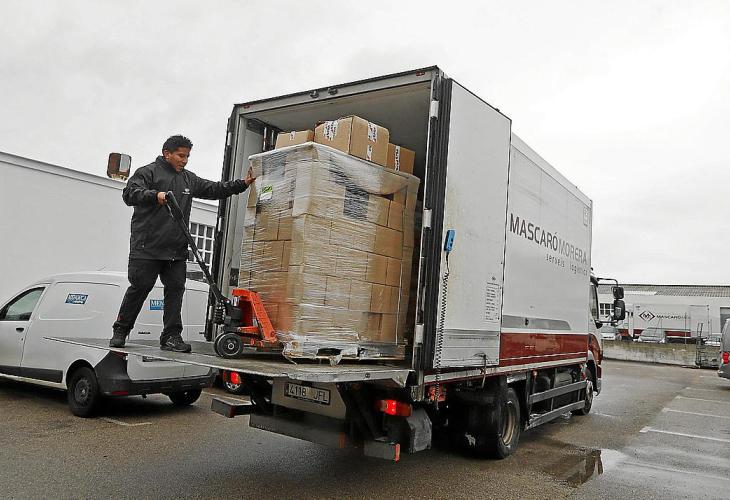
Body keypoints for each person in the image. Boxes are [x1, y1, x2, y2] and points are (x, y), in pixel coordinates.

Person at [109, 135, 255, 352]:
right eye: (181, 155)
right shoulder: (147, 172)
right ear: (167, 153)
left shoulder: (188, 179)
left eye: (187, 156)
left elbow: (214, 189)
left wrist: (242, 184)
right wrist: (155, 195)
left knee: (176, 290)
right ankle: (121, 330)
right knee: (140, 288)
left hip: (176, 250)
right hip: (146, 248)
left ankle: (171, 336)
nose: (184, 160)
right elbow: (129, 194)